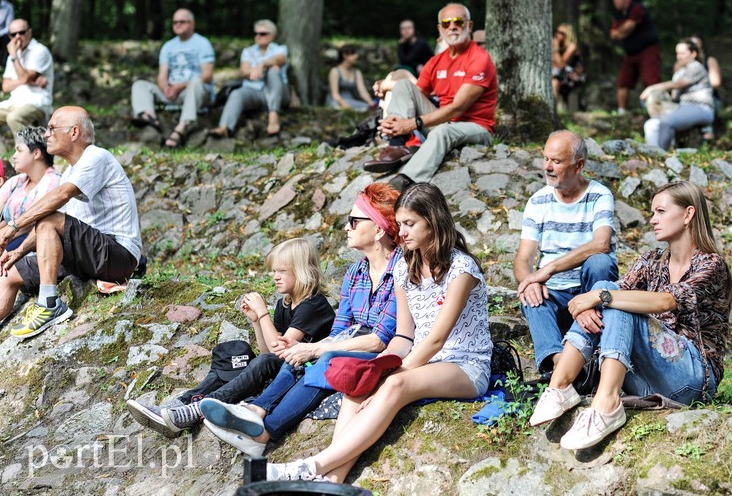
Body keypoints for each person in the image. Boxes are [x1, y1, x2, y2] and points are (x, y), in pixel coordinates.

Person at [262, 183, 493, 482]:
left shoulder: (461, 269)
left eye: (410, 224)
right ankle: (333, 480)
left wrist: (392, 375)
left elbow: (436, 339)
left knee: (395, 386)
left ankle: (308, 467)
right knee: (359, 385)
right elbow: (404, 336)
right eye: (400, 225)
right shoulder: (404, 267)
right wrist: (379, 366)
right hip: (423, 359)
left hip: (464, 365)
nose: (403, 232)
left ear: (433, 221)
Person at [198, 183, 401, 457]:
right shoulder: (355, 273)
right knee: (300, 357)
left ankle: (264, 431)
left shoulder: (402, 270)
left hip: (382, 351)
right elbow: (339, 329)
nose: (347, 228)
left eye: (354, 221)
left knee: (326, 359)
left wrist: (316, 348)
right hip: (350, 342)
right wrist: (304, 350)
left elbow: (380, 340)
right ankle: (255, 410)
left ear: (378, 229)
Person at [529, 181, 732, 451]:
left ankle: (606, 403)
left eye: (661, 211)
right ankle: (560, 385)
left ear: (688, 214)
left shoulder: (710, 264)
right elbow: (614, 293)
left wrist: (598, 298)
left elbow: (666, 301)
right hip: (644, 380)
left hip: (693, 381)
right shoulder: (651, 261)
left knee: (611, 297)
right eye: (652, 213)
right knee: (608, 291)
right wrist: (594, 303)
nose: (653, 220)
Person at [126, 237, 335, 438]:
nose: (275, 276)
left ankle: (197, 409)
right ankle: (180, 403)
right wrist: (255, 320)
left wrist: (263, 314)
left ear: (301, 272)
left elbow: (276, 352)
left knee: (262, 362)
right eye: (273, 271)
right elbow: (266, 352)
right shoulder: (286, 303)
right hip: (283, 366)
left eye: (282, 271)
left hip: (303, 371)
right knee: (232, 355)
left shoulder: (313, 305)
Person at [0, 106, 142, 339]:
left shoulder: (97, 157)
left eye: (52, 128)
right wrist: (20, 251)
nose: (46, 134)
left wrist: (13, 227)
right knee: (8, 272)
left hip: (118, 255)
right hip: (86, 254)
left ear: (74, 132)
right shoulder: (70, 172)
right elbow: (52, 226)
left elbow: (59, 202)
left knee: (49, 218)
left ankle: (49, 304)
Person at [514, 131, 617, 379]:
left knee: (600, 262)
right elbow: (522, 259)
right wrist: (529, 282)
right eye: (546, 159)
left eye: (556, 161)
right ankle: (563, 365)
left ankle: (585, 345)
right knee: (531, 296)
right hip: (555, 294)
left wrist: (548, 269)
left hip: (590, 289)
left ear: (579, 165)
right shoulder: (537, 201)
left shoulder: (599, 195)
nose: (548, 167)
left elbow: (601, 243)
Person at [364, 3, 497, 194]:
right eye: (446, 23)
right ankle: (396, 145)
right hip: (443, 122)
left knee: (443, 131)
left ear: (469, 26)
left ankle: (404, 182)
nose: (452, 26)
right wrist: (396, 123)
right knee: (403, 85)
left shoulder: (479, 59)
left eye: (458, 21)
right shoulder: (436, 61)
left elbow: (458, 108)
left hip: (476, 127)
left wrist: (413, 123)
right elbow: (414, 95)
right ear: (440, 29)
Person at [130, 8, 215, 148]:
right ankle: (149, 116)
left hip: (196, 92)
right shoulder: (168, 46)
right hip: (174, 92)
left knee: (196, 82)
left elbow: (207, 75)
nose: (178, 25)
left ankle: (181, 128)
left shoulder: (203, 43)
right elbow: (162, 75)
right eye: (175, 22)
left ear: (192, 24)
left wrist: (180, 86)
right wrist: (166, 88)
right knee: (140, 85)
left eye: (182, 22)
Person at [209, 19, 289, 139]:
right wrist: (255, 70)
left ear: (272, 36)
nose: (258, 36)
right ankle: (224, 127)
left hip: (277, 92)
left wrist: (262, 65)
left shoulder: (280, 49)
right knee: (237, 94)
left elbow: (280, 59)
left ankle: (273, 116)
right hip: (254, 91)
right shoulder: (248, 51)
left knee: (273, 71)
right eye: (256, 33)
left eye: (262, 34)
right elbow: (244, 71)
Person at [640, 40, 714, 150]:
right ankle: (652, 153)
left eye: (682, 53)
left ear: (693, 53)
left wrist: (652, 88)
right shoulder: (680, 72)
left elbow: (678, 84)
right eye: (677, 53)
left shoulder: (696, 67)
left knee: (666, 122)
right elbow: (674, 96)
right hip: (682, 107)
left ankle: (661, 153)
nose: (679, 57)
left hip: (701, 108)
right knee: (651, 124)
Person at [0, 126, 60, 251]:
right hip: (9, 239)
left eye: (19, 151)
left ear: (36, 153)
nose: (14, 156)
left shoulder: (52, 182)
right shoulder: (18, 181)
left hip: (34, 246)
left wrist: (4, 232)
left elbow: (32, 222)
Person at [610, 0, 660, 115]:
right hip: (631, 53)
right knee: (623, 81)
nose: (614, 0)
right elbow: (613, 34)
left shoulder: (637, 8)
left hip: (647, 49)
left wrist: (621, 31)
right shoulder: (619, 14)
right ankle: (622, 112)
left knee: (651, 80)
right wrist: (621, 31)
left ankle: (654, 109)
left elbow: (628, 28)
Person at [0, 19, 54, 136]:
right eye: (13, 34)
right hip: (15, 101)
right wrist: (30, 80)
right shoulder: (13, 57)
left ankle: (28, 152)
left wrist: (14, 56)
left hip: (36, 102)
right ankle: (2, 154)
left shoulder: (40, 51)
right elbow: (5, 86)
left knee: (13, 118)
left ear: (29, 32)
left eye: (21, 32)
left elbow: (24, 78)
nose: (18, 37)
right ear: (9, 36)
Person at [688, 35, 722, 141]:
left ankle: (708, 134)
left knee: (702, 100)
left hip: (709, 98)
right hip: (687, 99)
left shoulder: (709, 60)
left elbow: (716, 83)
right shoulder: (684, 63)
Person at [326, 45, 374, 112]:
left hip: (351, 101)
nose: (356, 56)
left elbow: (362, 90)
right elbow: (335, 94)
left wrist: (370, 102)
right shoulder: (335, 71)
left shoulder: (357, 72)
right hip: (336, 101)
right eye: (353, 54)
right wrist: (344, 104)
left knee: (366, 108)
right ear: (345, 55)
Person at [552, 23, 585, 106]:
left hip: (572, 75)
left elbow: (561, 63)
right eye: (557, 32)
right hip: (559, 73)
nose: (557, 34)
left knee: (554, 82)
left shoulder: (572, 46)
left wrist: (555, 48)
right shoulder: (558, 46)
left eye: (561, 33)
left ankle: (552, 110)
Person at [0, 0, 14, 70]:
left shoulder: (8, 7)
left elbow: (9, 27)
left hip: (2, 35)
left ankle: (3, 65)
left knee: (6, 39)